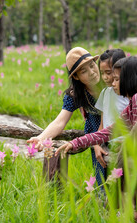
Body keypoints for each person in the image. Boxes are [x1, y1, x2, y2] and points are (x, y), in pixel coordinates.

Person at [55, 56, 137, 165]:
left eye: (117, 79)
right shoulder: (134, 104)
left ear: (129, 80)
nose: (112, 83)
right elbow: (107, 132)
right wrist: (74, 143)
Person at [27, 47, 102, 186]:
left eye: (92, 66)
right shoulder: (76, 94)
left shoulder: (110, 82)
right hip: (95, 136)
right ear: (76, 76)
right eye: (84, 71)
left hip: (118, 132)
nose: (92, 72)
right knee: (103, 180)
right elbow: (60, 122)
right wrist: (41, 138)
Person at [93, 49, 129, 168]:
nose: (105, 77)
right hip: (109, 147)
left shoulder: (130, 95)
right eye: (102, 73)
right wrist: (96, 144)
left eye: (108, 73)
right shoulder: (105, 93)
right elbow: (102, 124)